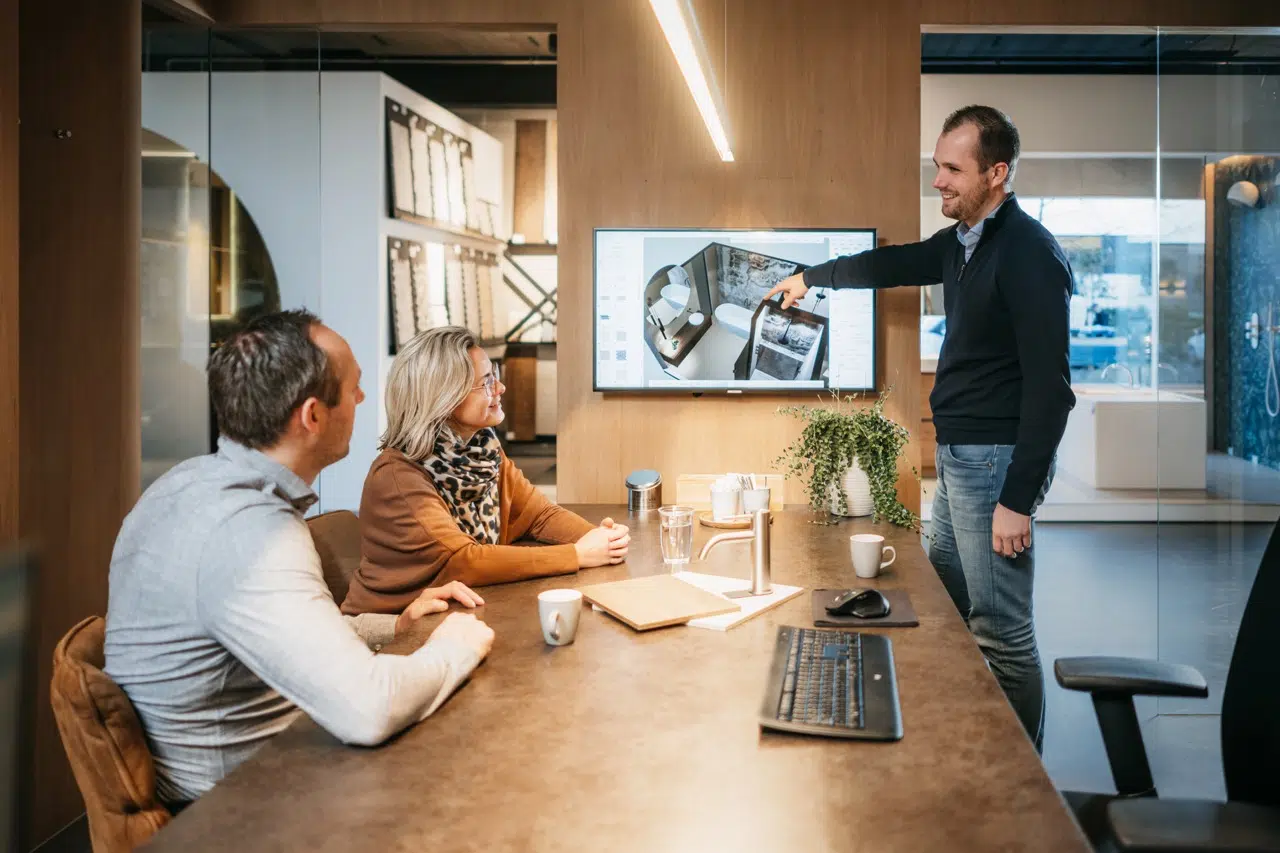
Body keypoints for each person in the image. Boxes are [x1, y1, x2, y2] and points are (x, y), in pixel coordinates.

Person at [767, 105, 1075, 751]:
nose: (938, 180)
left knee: (1002, 629)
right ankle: (958, 739)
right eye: (937, 166)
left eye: (952, 169)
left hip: (996, 463)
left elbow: (1052, 390)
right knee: (940, 595)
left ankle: (1019, 784)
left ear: (997, 172)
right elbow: (891, 264)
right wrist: (810, 277)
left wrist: (1016, 500)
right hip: (965, 458)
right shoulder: (966, 242)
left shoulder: (1026, 253)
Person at [104, 310, 495, 805]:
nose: (361, 399)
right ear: (312, 416)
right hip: (239, 809)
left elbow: (272, 632)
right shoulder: (250, 533)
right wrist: (456, 645)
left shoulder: (186, 485)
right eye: (354, 387)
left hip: (256, 772)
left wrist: (394, 627)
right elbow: (368, 709)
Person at [343, 326, 629, 616]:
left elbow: (539, 516)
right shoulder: (397, 476)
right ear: (445, 396)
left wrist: (601, 540)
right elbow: (465, 560)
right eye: (486, 382)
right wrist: (578, 555)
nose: (500, 389)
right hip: (391, 628)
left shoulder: (483, 453)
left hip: (455, 614)